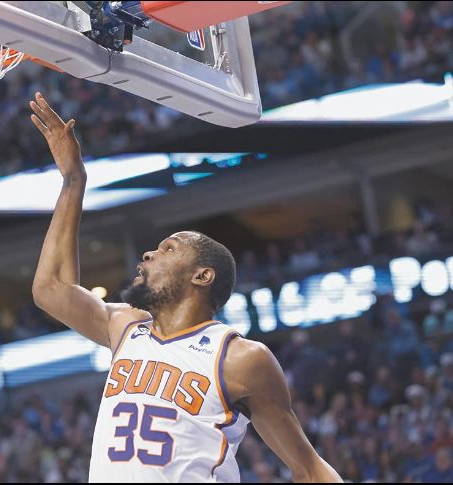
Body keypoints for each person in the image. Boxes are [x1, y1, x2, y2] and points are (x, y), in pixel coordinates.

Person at [28, 92, 341, 483]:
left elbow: (309, 468)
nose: (148, 254)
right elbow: (51, 288)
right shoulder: (126, 327)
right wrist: (74, 180)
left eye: (167, 249)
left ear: (202, 276)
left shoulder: (241, 358)